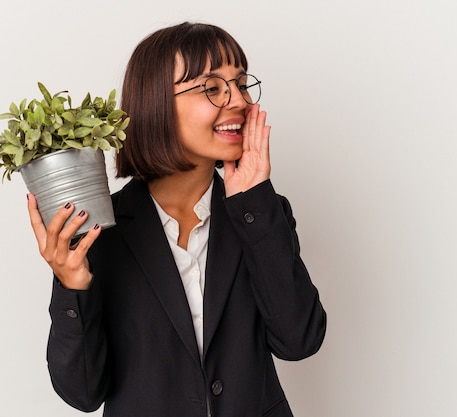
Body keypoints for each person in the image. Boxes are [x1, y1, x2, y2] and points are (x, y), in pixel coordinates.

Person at [26, 21, 326, 417]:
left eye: (239, 83)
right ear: (156, 104)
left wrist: (254, 203)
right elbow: (83, 393)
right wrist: (72, 284)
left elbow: (299, 340)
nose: (237, 100)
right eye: (212, 87)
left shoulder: (263, 216)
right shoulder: (101, 231)